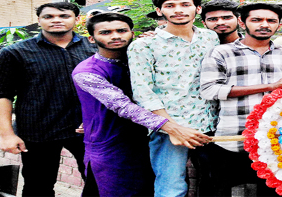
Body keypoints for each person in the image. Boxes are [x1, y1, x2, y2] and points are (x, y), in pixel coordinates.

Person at [73, 12, 210, 196]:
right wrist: (172, 127)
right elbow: (123, 106)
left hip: (148, 138)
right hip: (112, 143)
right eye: (105, 32)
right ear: (91, 38)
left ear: (132, 33)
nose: (115, 36)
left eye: (121, 30)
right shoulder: (87, 72)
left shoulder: (142, 57)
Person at [0, 2, 99, 196]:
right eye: (48, 17)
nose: (56, 20)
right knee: (38, 186)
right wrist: (6, 134)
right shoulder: (15, 52)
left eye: (64, 16)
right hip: (38, 129)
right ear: (39, 21)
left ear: (76, 19)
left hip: (89, 129)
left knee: (100, 182)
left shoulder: (95, 48)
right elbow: (0, 94)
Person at [200, 2, 282, 196]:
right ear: (242, 22)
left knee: (273, 191)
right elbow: (209, 90)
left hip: (276, 139)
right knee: (227, 191)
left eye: (271, 21)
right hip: (232, 136)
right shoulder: (221, 52)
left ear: (279, 25)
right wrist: (269, 87)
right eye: (256, 20)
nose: (264, 24)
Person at [128, 0, 218, 197]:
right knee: (171, 188)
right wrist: (173, 128)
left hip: (209, 124)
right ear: (159, 11)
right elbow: (143, 91)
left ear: (197, 9)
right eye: (170, 6)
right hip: (168, 128)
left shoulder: (210, 37)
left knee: (213, 183)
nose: (178, 10)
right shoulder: (144, 45)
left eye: (185, 5)